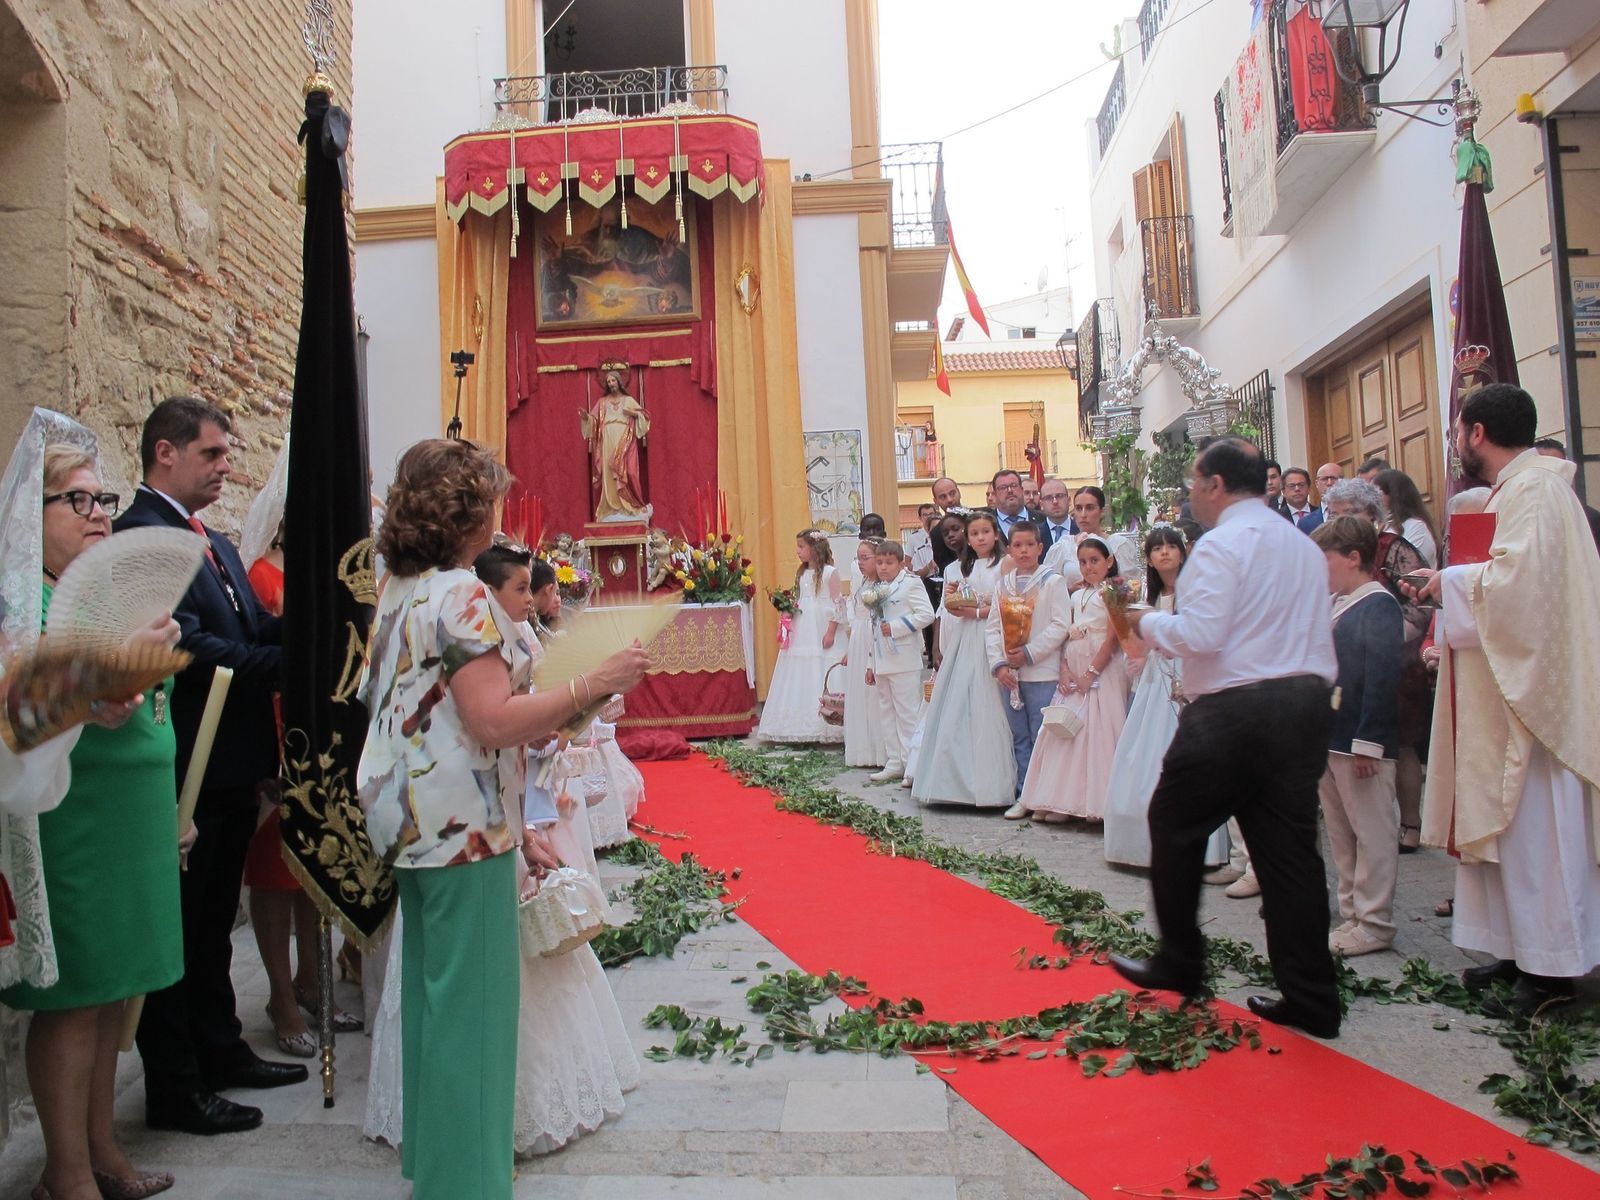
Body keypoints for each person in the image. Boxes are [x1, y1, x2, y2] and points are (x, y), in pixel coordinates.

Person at [358, 438, 648, 1199]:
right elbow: (490, 720)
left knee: (435, 1001)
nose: (496, 516)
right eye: (488, 502)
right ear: (467, 512)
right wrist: (596, 679)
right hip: (462, 828)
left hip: (412, 821)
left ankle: (437, 1164)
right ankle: (468, 1185)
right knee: (475, 1021)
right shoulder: (459, 592)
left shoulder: (398, 589)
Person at [0, 432, 187, 1200]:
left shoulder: (98, 589)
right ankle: (66, 1172)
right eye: (75, 500)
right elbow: (21, 708)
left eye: (103, 499)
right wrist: (96, 688)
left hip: (129, 807)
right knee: (74, 995)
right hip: (71, 817)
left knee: (117, 989)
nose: (98, 514)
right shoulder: (23, 600)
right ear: (27, 514)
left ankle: (105, 1146)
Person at [115, 396, 305, 1134]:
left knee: (211, 927)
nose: (227, 467)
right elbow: (189, 649)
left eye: (227, 454)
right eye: (212, 454)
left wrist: (316, 626)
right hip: (188, 759)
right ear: (165, 453)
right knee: (183, 930)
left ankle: (221, 1047)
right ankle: (177, 1083)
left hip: (232, 762)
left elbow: (255, 626)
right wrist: (286, 665)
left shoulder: (215, 542)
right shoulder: (139, 537)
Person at [1111, 437, 1341, 1040]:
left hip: (1238, 707)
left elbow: (1203, 633)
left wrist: (1146, 621)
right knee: (1289, 852)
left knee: (1173, 820)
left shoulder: (1220, 546)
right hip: (1304, 703)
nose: (1190, 493)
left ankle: (1181, 960)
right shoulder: (1300, 545)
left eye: (1193, 482)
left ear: (1215, 485)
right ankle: (1311, 995)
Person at [1409, 384, 1600, 1014]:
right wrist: (1456, 585)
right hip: (1506, 689)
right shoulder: (1517, 489)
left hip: (1536, 710)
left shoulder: (1538, 490)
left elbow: (1520, 586)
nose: (1455, 441)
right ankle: (1517, 953)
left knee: (1537, 836)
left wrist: (1449, 582)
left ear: (1478, 432)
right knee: (1510, 835)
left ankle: (1554, 974)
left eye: (1458, 430)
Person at [1104, 528, 1229, 870]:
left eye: (1170, 547)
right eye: (1157, 548)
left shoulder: (1197, 591)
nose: (1164, 554)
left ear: (1183, 551)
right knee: (1143, 752)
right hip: (1156, 679)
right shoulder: (1149, 595)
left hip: (1188, 674)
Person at [1312, 518, 1404, 957]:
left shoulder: (1378, 604)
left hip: (1359, 743)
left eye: (1326, 559)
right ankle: (1351, 912)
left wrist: (1370, 741)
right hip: (1332, 737)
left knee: (1372, 834)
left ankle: (1375, 920)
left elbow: (1382, 677)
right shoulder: (1337, 602)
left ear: (1353, 558)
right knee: (1342, 833)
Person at [1014, 537, 1129, 824]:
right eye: (1083, 562)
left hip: (1102, 669)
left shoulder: (1115, 591)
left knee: (1099, 732)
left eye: (1095, 561)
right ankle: (1062, 799)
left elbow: (1114, 639)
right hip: (1075, 664)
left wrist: (1092, 673)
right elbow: (1067, 633)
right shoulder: (1076, 595)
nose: (1088, 568)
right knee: (1066, 732)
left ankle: (1098, 802)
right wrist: (1065, 669)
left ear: (1109, 562)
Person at [912, 511, 1015, 808]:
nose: (980, 538)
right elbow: (952, 605)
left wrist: (979, 612)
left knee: (990, 702)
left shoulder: (1004, 563)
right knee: (960, 699)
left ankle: (992, 783)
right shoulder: (960, 568)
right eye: (974, 534)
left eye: (985, 532)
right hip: (966, 634)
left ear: (996, 534)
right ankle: (954, 781)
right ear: (968, 540)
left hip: (992, 634)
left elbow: (1007, 603)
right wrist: (956, 601)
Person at [987, 523, 1070, 813]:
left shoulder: (1053, 582)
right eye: (1017, 545)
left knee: (1041, 735)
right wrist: (1000, 665)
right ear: (1009, 549)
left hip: (1041, 671)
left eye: (1029, 545)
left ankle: (1044, 796)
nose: (1023, 551)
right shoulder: (1002, 585)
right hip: (1010, 676)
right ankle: (1024, 793)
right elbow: (993, 629)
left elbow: (1061, 625)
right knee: (1019, 736)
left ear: (1039, 547)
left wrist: (1030, 653)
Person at [756, 530, 844, 744]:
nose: (798, 551)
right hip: (803, 626)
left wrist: (831, 631)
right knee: (800, 669)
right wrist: (786, 614)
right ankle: (799, 722)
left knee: (823, 665)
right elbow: (798, 599)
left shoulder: (830, 572)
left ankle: (830, 720)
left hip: (822, 624)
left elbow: (838, 604)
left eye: (801, 547)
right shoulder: (802, 574)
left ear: (815, 549)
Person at [863, 541, 935, 783]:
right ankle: (894, 761)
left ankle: (912, 764)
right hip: (882, 659)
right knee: (887, 712)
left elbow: (926, 614)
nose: (883, 567)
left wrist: (895, 628)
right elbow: (874, 626)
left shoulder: (911, 584)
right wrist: (871, 663)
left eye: (888, 562)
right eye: (879, 562)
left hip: (903, 657)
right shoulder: (878, 587)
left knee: (907, 713)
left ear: (901, 563)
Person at [579, 369, 650, 522]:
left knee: (629, 472)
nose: (611, 384)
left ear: (619, 382)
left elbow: (644, 416)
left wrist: (633, 413)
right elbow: (594, 421)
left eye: (613, 381)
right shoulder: (602, 402)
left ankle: (631, 506)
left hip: (625, 440)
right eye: (609, 382)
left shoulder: (628, 400)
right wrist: (586, 418)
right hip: (607, 439)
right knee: (609, 472)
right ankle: (612, 507)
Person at [841, 539, 887, 769]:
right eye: (858, 558)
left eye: (865, 557)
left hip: (871, 635)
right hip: (858, 636)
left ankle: (881, 750)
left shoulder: (881, 586)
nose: (860, 562)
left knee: (874, 693)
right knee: (859, 691)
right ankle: (863, 747)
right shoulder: (863, 582)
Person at [1533, 437, 1600, 551]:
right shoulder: (1516, 515)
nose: (1550, 476)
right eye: (1544, 468)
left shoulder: (1589, 518)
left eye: (1558, 469)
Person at [1372, 469, 1438, 568]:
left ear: (1393, 495)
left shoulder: (1416, 527)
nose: (1372, 498)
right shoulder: (1383, 525)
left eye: (1377, 493)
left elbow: (1407, 565)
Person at [990, 470, 1033, 541]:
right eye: (1003, 487)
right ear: (995, 494)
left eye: (1014, 486)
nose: (1010, 490)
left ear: (1022, 490)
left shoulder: (1042, 519)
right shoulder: (988, 523)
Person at [1036, 478, 1077, 550]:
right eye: (1048, 497)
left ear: (1069, 500)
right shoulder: (1035, 535)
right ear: (1041, 505)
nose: (1055, 502)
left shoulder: (1082, 530)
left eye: (1060, 496)